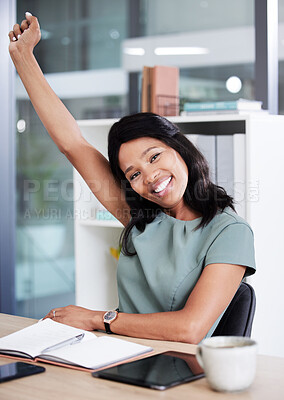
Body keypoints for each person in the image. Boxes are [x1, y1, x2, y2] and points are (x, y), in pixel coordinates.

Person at [8, 13, 255, 344]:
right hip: (118, 355)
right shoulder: (141, 216)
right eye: (133, 173)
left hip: (177, 372)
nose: (151, 177)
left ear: (180, 149)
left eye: (154, 156)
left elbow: (190, 328)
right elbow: (72, 143)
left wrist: (97, 318)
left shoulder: (230, 232)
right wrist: (23, 57)